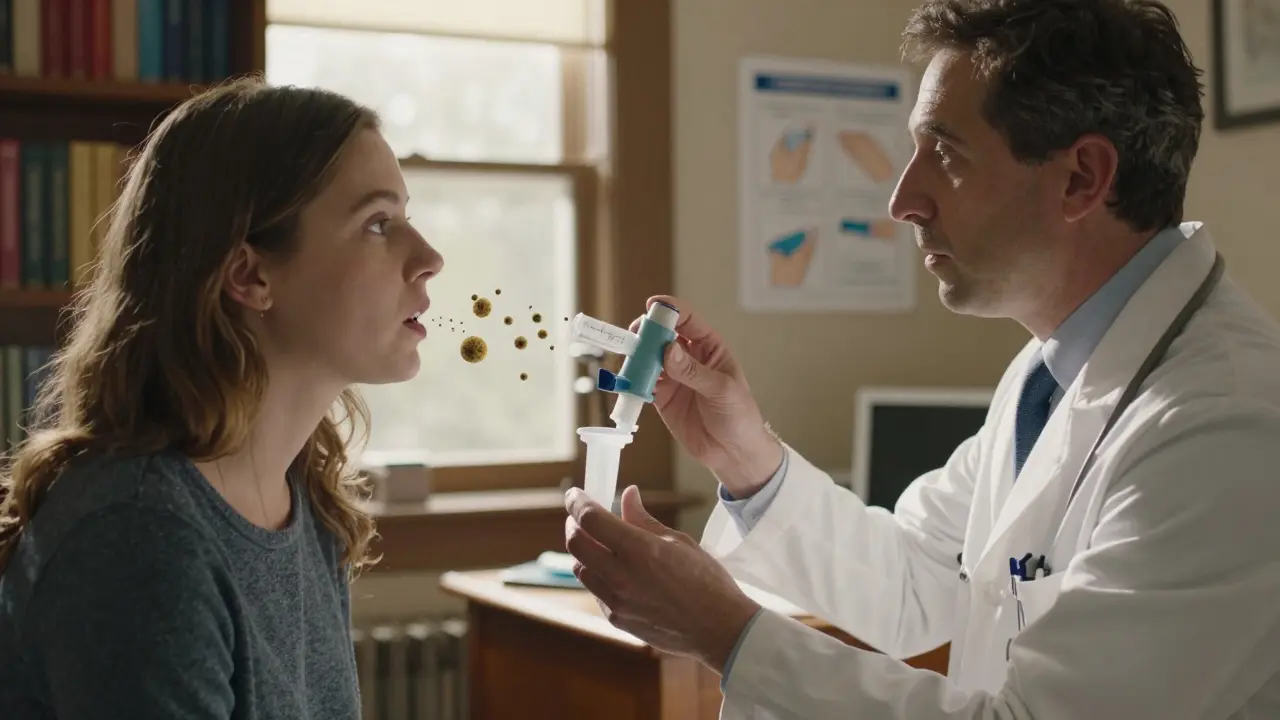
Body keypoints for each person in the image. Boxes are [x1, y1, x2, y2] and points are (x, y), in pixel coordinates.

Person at [563, 0, 1280, 717]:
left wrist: (723, 633)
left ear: (1081, 179)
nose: (902, 199)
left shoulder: (1223, 425)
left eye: (945, 154)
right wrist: (746, 457)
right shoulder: (1050, 373)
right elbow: (916, 582)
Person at [0, 76, 443, 719]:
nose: (428, 256)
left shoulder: (306, 503)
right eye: (378, 223)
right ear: (250, 274)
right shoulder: (143, 537)